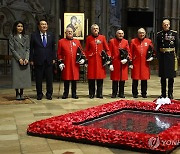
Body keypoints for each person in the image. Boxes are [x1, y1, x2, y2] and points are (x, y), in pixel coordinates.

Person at [30, 19, 56, 100]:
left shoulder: (51, 35)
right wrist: (31, 59)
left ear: (47, 26)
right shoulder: (34, 35)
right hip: (38, 59)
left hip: (49, 60)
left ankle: (49, 94)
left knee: (49, 79)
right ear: (39, 26)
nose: (44, 26)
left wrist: (54, 58)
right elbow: (31, 48)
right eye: (42, 24)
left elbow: (53, 48)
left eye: (45, 24)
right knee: (38, 78)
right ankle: (39, 94)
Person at [57, 27, 85, 99]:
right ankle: (65, 93)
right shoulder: (61, 41)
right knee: (66, 78)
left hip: (75, 63)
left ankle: (74, 93)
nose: (69, 33)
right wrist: (60, 62)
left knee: (74, 79)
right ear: (65, 33)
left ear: (73, 33)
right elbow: (59, 53)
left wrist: (82, 59)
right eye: (68, 31)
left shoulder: (77, 41)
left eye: (71, 32)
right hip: (66, 63)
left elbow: (81, 51)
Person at [85, 24, 111, 99]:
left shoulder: (102, 38)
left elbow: (107, 49)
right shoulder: (89, 38)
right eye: (94, 29)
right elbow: (86, 50)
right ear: (91, 30)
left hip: (100, 61)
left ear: (99, 30)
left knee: (100, 78)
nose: (95, 30)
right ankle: (91, 93)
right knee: (91, 78)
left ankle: (99, 93)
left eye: (97, 28)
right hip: (91, 60)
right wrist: (86, 60)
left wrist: (108, 57)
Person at [9, 21, 31, 100]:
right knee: (17, 77)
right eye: (18, 26)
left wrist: (26, 58)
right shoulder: (12, 36)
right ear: (15, 27)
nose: (20, 28)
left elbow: (28, 49)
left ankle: (22, 92)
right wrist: (19, 59)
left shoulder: (26, 37)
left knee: (23, 77)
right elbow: (12, 49)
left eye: (21, 26)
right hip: (16, 59)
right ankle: (17, 93)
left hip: (25, 58)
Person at [130, 28, 155, 98]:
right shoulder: (133, 41)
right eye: (140, 33)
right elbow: (130, 52)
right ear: (138, 34)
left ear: (145, 33)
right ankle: (135, 93)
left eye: (143, 33)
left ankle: (144, 93)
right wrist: (130, 62)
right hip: (136, 62)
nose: (142, 34)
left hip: (145, 63)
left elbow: (152, 51)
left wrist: (152, 57)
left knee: (144, 79)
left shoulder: (148, 41)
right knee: (135, 78)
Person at [157, 19, 178, 99]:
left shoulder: (174, 34)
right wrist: (158, 57)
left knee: (171, 77)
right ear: (162, 25)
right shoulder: (159, 34)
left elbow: (177, 45)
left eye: (167, 24)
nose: (166, 26)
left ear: (169, 25)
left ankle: (170, 93)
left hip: (171, 57)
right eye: (164, 24)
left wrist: (176, 56)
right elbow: (158, 46)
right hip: (162, 57)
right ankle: (163, 93)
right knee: (163, 77)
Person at [109, 29, 131, 98]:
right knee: (115, 79)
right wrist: (110, 63)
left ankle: (121, 93)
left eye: (122, 33)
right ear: (116, 34)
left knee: (122, 79)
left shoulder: (126, 41)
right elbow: (109, 52)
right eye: (119, 33)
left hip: (123, 63)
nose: (120, 35)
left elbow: (128, 52)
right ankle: (114, 93)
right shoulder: (112, 41)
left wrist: (126, 59)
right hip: (115, 62)